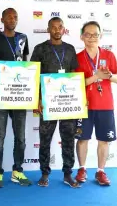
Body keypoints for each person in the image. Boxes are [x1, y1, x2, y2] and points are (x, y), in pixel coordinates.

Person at [30, 17, 80, 188]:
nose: (57, 30)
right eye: (54, 27)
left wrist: (77, 99)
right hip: (47, 103)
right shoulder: (40, 49)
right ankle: (44, 173)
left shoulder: (70, 49)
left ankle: (68, 174)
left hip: (67, 103)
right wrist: (37, 99)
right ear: (48, 29)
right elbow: (33, 75)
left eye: (60, 27)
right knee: (45, 139)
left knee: (68, 139)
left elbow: (74, 74)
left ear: (64, 29)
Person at [0, 8, 31, 188]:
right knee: (0, 136)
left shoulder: (23, 38)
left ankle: (17, 171)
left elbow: (25, 60)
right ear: (2, 19)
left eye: (15, 17)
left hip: (19, 94)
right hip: (2, 94)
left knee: (20, 137)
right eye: (9, 17)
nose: (13, 19)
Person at [74, 21, 117, 186]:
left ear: (100, 36)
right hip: (84, 105)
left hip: (105, 104)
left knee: (104, 140)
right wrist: (96, 77)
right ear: (82, 37)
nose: (92, 37)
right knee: (82, 139)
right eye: (88, 34)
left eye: (95, 34)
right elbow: (76, 83)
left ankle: (101, 171)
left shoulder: (109, 55)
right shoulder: (77, 58)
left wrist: (109, 76)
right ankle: (81, 168)